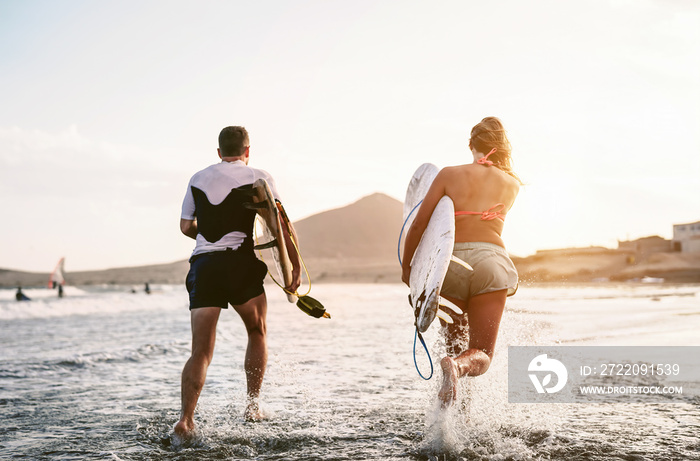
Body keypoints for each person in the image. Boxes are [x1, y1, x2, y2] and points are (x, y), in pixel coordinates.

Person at [174, 126, 301, 440]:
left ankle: (185, 420)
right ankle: (252, 405)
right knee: (257, 330)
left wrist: (208, 235)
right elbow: (279, 224)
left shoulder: (197, 178)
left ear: (218, 152)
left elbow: (186, 226)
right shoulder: (259, 176)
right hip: (240, 263)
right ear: (247, 151)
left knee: (200, 351)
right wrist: (294, 267)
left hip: (204, 265)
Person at [401, 117, 521, 407]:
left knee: (454, 343)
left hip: (450, 264)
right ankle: (458, 369)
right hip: (491, 263)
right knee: (480, 352)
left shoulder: (448, 175)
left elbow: (418, 226)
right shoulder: (512, 184)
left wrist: (409, 270)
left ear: (471, 144)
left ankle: (451, 417)